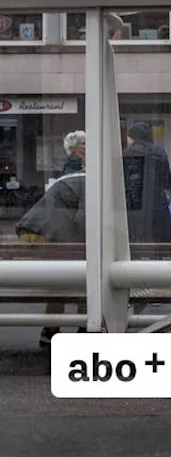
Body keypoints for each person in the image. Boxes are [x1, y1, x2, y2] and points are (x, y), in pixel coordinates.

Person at [17, 131, 88, 346]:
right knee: (83, 284)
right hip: (72, 240)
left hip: (53, 238)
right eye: (86, 144)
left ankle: (50, 329)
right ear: (79, 150)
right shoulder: (83, 174)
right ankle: (84, 328)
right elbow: (84, 217)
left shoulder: (67, 171)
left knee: (58, 286)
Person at [122, 122, 171, 245]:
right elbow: (166, 179)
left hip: (134, 207)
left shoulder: (127, 154)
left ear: (133, 137)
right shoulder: (160, 153)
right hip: (158, 205)